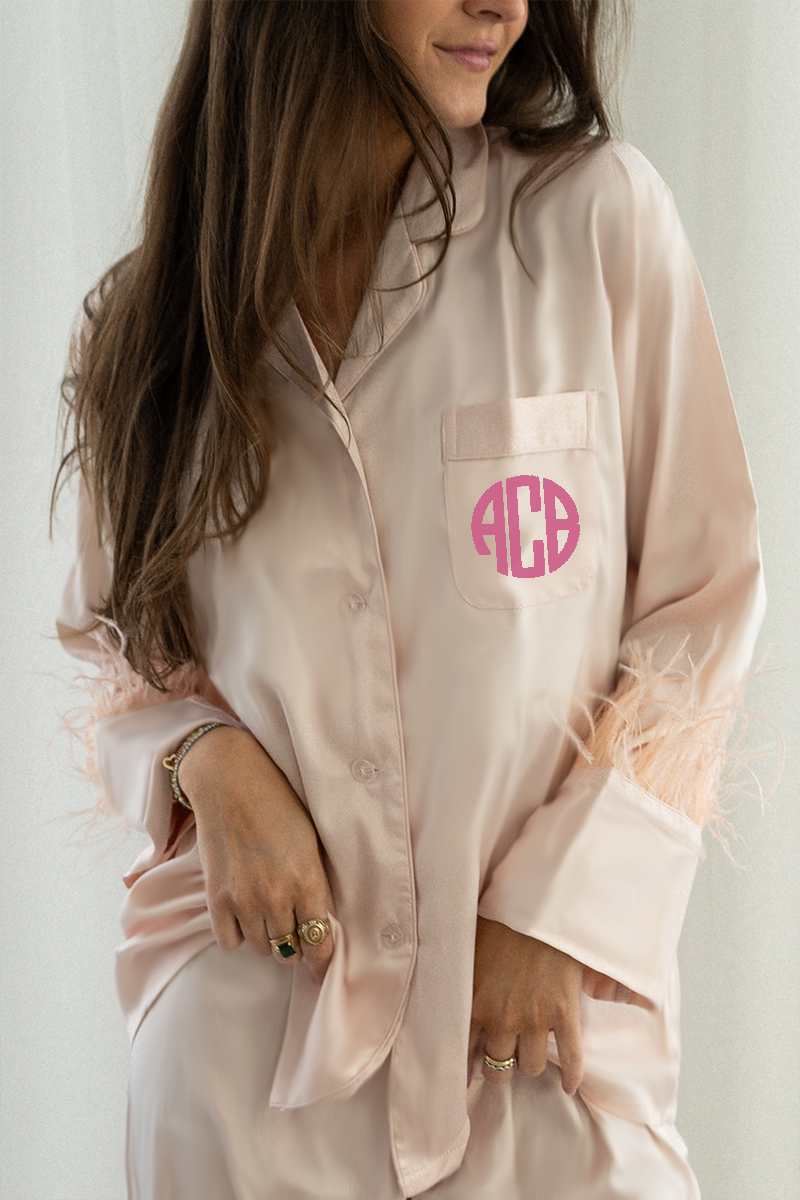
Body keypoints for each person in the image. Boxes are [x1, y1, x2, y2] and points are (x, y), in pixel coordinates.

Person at [53, 1, 766, 1197]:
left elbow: (702, 598)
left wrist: (563, 907)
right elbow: (117, 645)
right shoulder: (146, 329)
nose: (503, 5)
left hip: (541, 1055)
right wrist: (203, 758)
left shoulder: (592, 224)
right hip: (247, 1066)